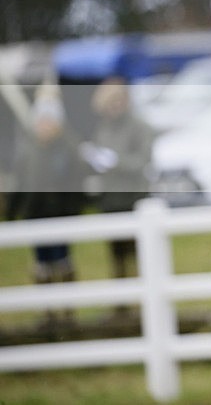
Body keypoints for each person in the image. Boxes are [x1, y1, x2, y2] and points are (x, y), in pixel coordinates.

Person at [5, 88, 87, 332]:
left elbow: (77, 181)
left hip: (60, 213)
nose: (45, 127)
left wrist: (73, 208)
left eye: (49, 122)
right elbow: (20, 182)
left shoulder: (68, 148)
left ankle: (67, 312)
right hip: (35, 214)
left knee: (62, 260)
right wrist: (13, 210)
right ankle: (47, 312)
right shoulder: (27, 150)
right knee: (41, 263)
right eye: (41, 122)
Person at [86, 79, 154, 309]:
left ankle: (143, 302)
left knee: (138, 253)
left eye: (118, 100)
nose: (115, 106)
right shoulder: (103, 128)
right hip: (110, 199)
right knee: (116, 255)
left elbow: (143, 161)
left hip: (134, 198)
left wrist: (116, 162)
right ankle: (122, 304)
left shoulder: (140, 127)